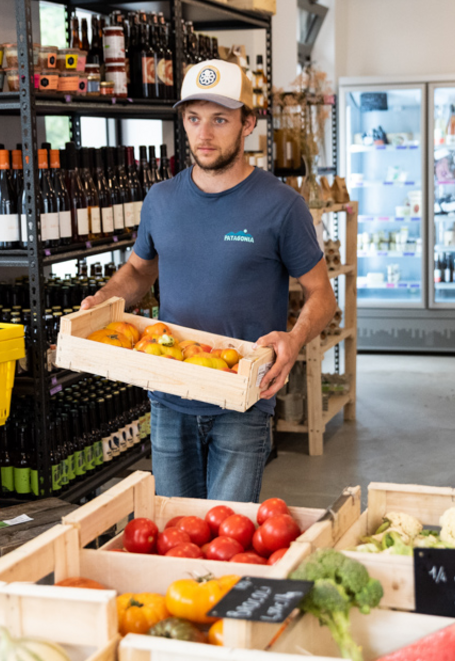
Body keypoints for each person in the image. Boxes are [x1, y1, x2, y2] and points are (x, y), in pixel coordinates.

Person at [79, 59, 336, 502]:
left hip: (242, 397)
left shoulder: (281, 205)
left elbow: (322, 294)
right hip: (169, 394)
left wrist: (293, 340)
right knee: (177, 529)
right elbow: (140, 271)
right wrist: (101, 300)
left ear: (248, 123)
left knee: (226, 538)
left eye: (220, 119)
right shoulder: (161, 200)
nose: (204, 134)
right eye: (194, 119)